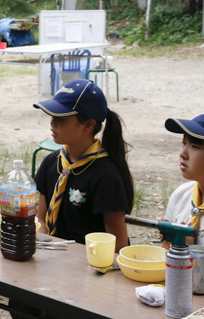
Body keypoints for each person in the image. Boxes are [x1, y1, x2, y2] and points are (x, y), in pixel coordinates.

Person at [33, 79, 133, 251]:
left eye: (61, 118)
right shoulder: (51, 162)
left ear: (88, 125)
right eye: (52, 115)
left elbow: (118, 245)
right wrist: (45, 245)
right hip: (50, 255)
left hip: (89, 263)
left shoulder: (106, 176)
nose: (52, 123)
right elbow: (40, 219)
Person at [163, 108, 204, 279]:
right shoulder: (181, 195)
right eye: (183, 143)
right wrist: (169, 245)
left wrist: (186, 253)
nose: (182, 153)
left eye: (195, 146)